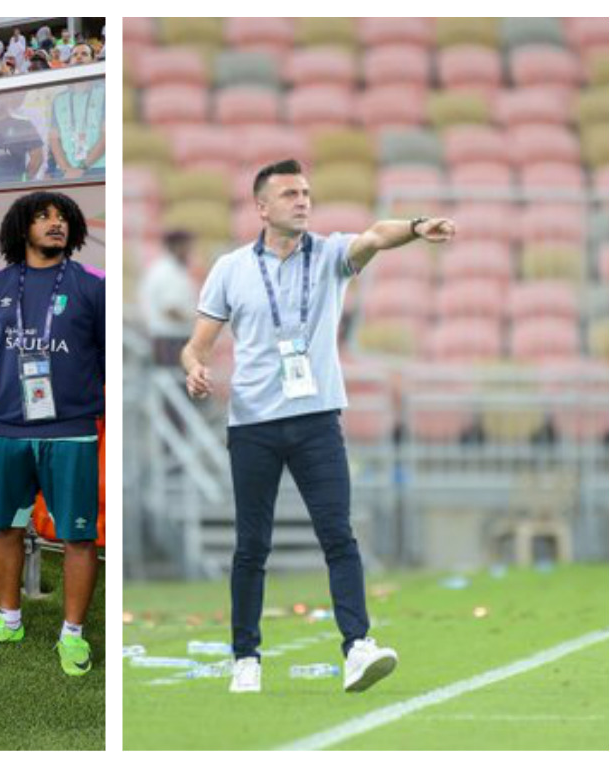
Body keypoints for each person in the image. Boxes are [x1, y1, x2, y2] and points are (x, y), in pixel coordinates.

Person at [181, 159, 456, 694]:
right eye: (290, 194)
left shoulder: (331, 255)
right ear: (262, 207)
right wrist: (193, 368)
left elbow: (375, 235)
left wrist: (418, 226)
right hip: (253, 424)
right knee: (251, 546)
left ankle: (358, 646)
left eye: (306, 193)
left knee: (338, 535)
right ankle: (246, 657)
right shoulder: (231, 268)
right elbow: (198, 345)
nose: (303, 201)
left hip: (317, 419)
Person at [0, 191, 104, 677]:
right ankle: (9, 621)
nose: (55, 223)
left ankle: (72, 634)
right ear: (21, 227)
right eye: (44, 216)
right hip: (7, 427)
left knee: (77, 535)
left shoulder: (93, 285)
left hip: (71, 430)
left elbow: (107, 354)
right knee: (4, 527)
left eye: (63, 217)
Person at [138, 229, 197, 366]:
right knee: (173, 377)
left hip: (169, 338)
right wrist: (200, 322)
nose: (190, 250)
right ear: (176, 246)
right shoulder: (168, 272)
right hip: (171, 339)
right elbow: (171, 310)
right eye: (187, 246)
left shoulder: (167, 268)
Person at [48, 43, 105, 179]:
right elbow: (54, 139)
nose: (79, 57)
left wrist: (82, 167)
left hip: (99, 168)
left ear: (93, 61)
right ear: (69, 62)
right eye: (75, 55)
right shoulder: (59, 99)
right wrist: (66, 169)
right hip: (65, 171)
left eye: (84, 54)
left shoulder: (105, 93)